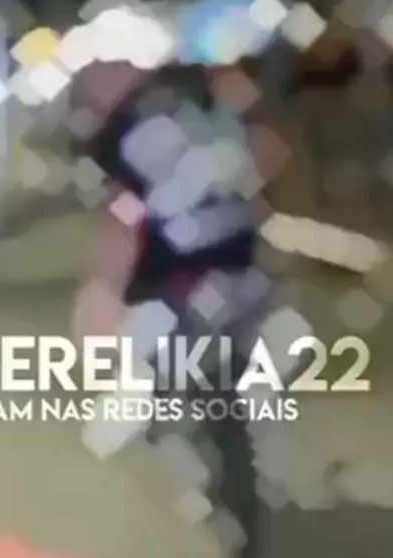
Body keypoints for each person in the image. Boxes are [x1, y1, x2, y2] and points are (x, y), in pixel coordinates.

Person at [70, 57, 278, 557]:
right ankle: (235, 491)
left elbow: (122, 222)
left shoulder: (119, 137)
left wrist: (105, 291)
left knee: (148, 404)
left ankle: (204, 496)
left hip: (181, 287)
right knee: (226, 397)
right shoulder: (204, 113)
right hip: (245, 278)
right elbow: (265, 166)